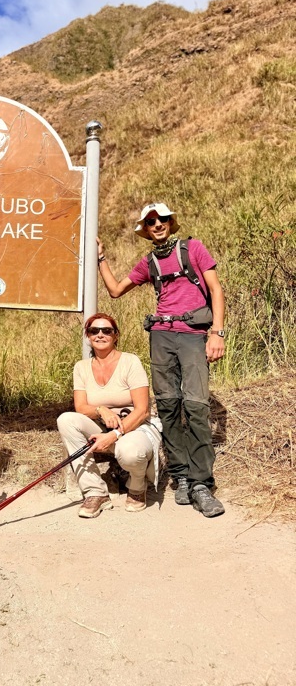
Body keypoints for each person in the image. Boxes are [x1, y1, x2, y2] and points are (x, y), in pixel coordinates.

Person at [97, 202, 225, 518]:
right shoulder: (149, 262)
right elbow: (115, 290)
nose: (157, 224)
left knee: (196, 406)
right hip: (161, 337)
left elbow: (216, 290)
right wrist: (100, 258)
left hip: (193, 335)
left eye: (162, 219)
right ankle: (181, 476)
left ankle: (201, 483)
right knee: (168, 407)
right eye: (151, 221)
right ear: (145, 229)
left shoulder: (193, 249)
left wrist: (217, 333)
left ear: (170, 222)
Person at [58, 313, 162, 517]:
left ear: (116, 335)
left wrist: (114, 435)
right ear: (88, 336)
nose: (100, 335)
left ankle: (137, 486)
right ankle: (95, 492)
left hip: (135, 426)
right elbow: (81, 407)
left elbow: (142, 410)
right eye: (94, 331)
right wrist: (100, 409)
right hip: (101, 426)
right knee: (66, 420)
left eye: (106, 330)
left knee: (130, 452)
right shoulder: (81, 367)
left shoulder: (130, 362)